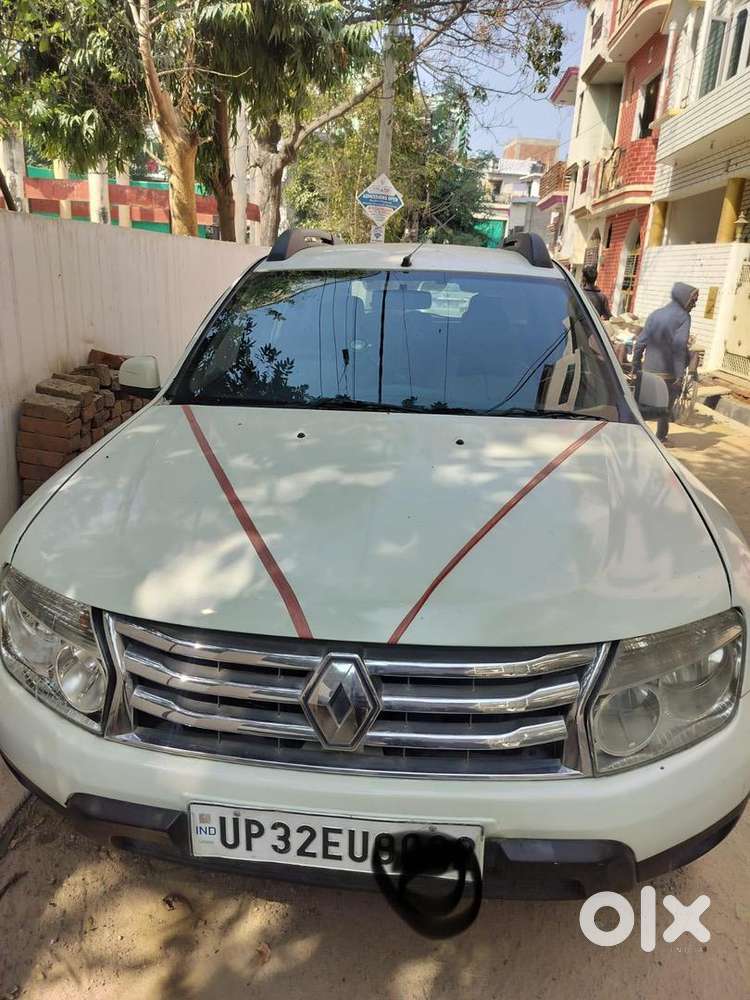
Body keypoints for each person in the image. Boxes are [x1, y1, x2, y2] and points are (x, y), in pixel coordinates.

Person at [632, 282, 699, 442]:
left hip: (648, 370)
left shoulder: (655, 314)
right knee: (665, 408)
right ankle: (661, 438)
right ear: (683, 298)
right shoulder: (683, 317)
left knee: (643, 405)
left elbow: (641, 342)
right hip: (667, 373)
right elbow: (679, 347)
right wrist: (679, 375)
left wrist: (635, 365)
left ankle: (635, 434)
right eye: (693, 300)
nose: (694, 305)